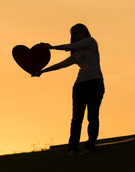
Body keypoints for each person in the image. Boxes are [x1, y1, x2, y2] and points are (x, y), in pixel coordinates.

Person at [33, 23, 105, 156]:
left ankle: (89, 147)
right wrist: (42, 71)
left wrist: (52, 47)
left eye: (80, 33)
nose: (77, 36)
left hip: (95, 83)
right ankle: (72, 148)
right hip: (80, 86)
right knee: (76, 119)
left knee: (92, 116)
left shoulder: (91, 42)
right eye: (74, 34)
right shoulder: (76, 54)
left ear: (85, 33)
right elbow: (61, 65)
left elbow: (72, 46)